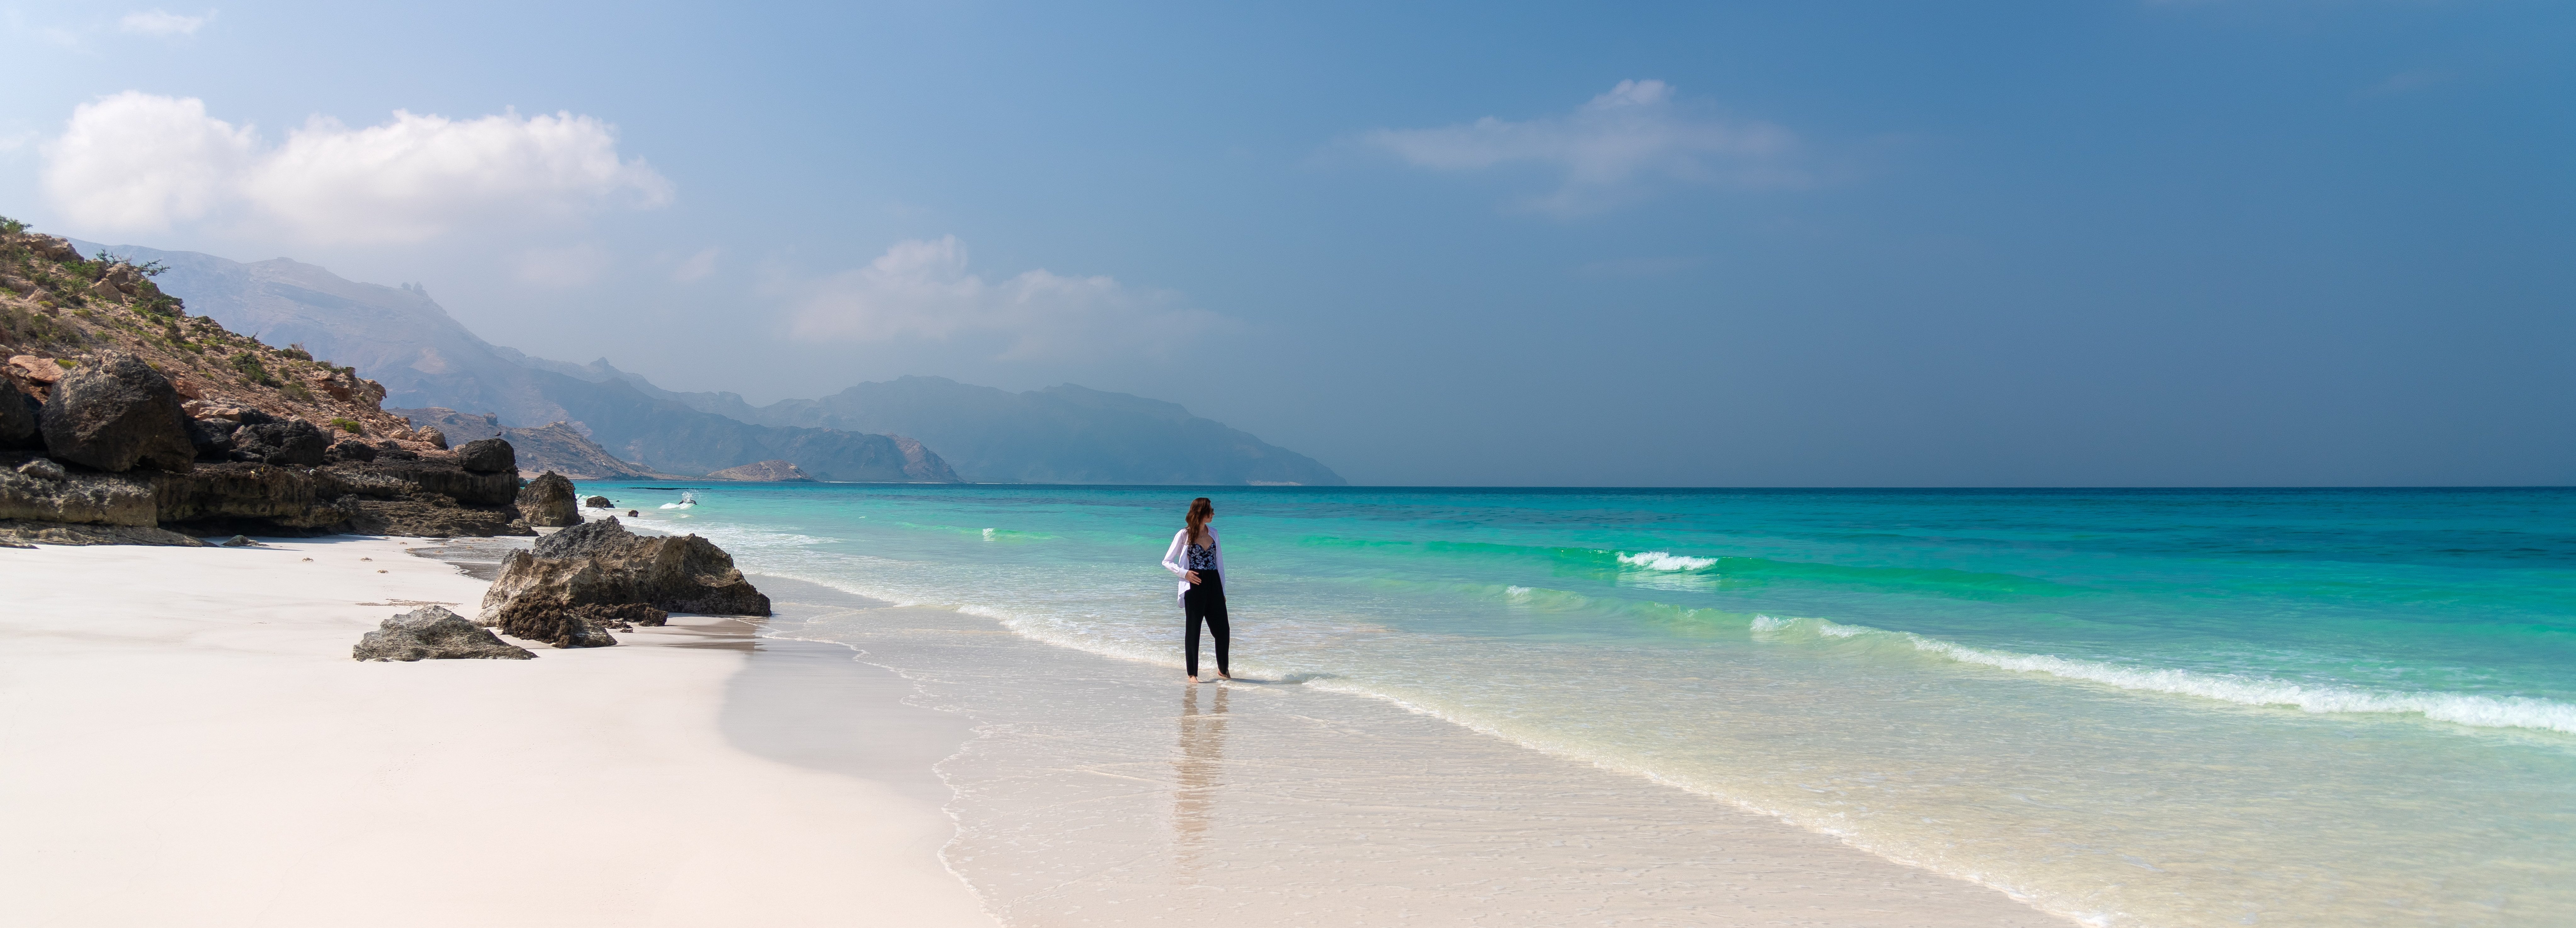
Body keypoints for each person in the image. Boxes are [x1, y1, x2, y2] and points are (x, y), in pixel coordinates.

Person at [1160, 497, 1231, 682]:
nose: (1214, 513)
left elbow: (1220, 565)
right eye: (1211, 510)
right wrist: (1184, 573)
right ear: (1201, 512)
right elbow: (1167, 561)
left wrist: (1222, 591)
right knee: (1194, 630)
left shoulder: (1214, 533)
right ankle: (1193, 674)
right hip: (1194, 585)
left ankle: (1223, 670)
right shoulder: (1184, 535)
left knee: (1223, 630)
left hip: (1214, 583)